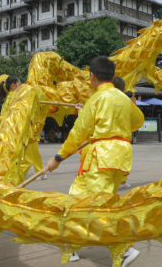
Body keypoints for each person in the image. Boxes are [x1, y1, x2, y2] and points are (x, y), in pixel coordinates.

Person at [46, 56, 144, 267]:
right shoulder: (122, 98)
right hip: (119, 156)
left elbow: (78, 134)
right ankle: (71, 246)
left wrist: (58, 157)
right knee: (76, 197)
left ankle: (124, 249)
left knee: (99, 206)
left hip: (102, 158)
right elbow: (138, 121)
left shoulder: (96, 99)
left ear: (92, 76)